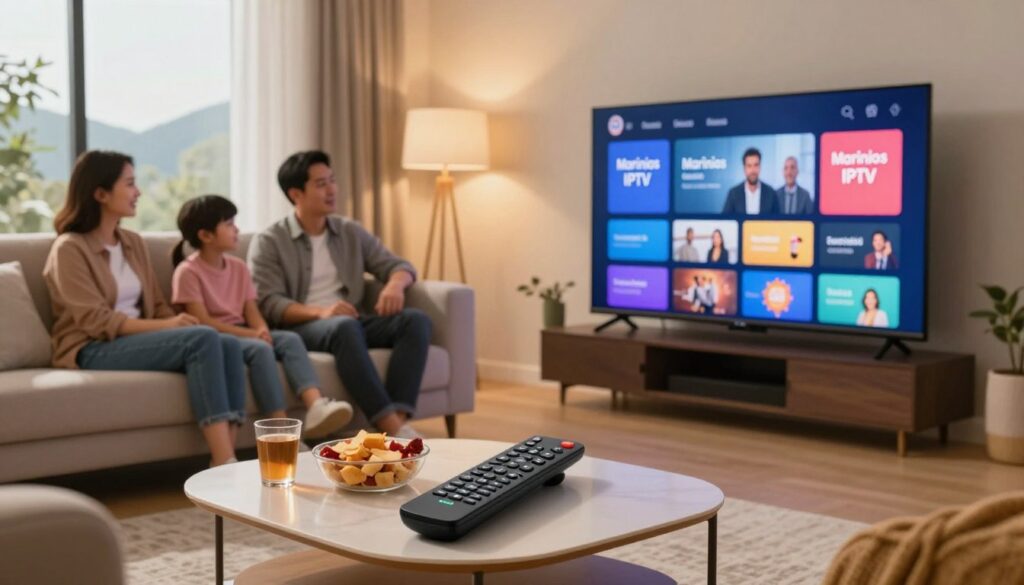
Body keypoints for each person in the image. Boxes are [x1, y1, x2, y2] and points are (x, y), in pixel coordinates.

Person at [43, 151, 244, 467]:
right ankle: (222, 460)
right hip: (92, 347)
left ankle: (228, 458)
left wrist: (177, 323)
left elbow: (158, 305)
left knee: (228, 343)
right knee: (204, 337)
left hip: (136, 340)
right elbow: (96, 321)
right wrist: (170, 328)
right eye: (130, 184)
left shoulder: (132, 242)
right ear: (100, 193)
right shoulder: (69, 248)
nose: (138, 192)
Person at [248, 151, 431, 438]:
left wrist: (395, 284)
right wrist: (322, 312)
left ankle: (398, 417)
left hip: (350, 321)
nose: (332, 189)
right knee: (343, 325)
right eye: (321, 184)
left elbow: (397, 265)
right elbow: (270, 303)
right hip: (303, 327)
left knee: (415, 320)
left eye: (332, 181)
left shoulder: (348, 231)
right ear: (296, 193)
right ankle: (392, 428)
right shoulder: (269, 241)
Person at [170, 195, 354, 439]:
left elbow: (252, 311)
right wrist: (253, 335)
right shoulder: (187, 272)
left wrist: (261, 329)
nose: (236, 229)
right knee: (260, 349)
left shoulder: (238, 267)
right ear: (206, 235)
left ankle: (316, 405)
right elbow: (203, 322)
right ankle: (281, 429)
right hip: (217, 339)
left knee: (288, 339)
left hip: (246, 330)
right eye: (228, 224)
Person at [721, 147, 779, 215]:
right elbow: (725, 220)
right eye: (749, 166)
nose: (753, 170)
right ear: (744, 168)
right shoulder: (734, 193)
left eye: (756, 165)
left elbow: (778, 222)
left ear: (760, 167)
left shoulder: (771, 193)